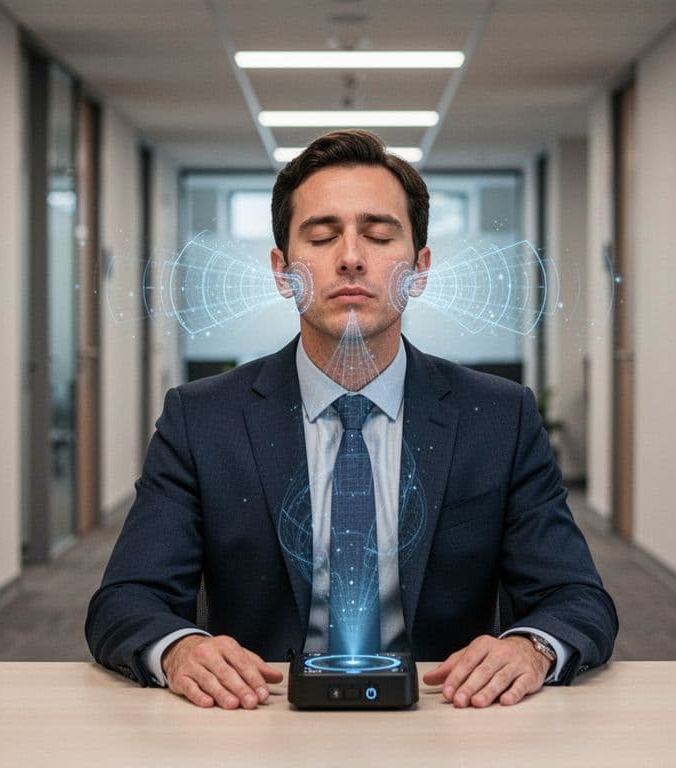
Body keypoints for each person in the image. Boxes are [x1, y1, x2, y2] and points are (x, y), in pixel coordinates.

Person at [86, 129, 617, 710]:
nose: (351, 258)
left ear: (419, 269)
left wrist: (530, 648)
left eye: (379, 235)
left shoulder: (499, 418)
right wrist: (180, 649)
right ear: (282, 270)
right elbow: (126, 599)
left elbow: (577, 597)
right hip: (257, 716)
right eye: (321, 236)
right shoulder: (202, 420)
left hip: (447, 717)